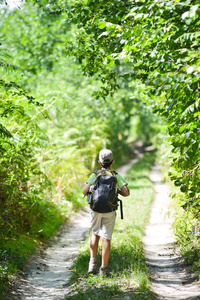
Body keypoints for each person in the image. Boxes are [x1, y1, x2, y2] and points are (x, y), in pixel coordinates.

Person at [83, 149, 130, 276]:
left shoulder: (95, 175)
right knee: (106, 238)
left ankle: (92, 264)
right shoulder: (115, 176)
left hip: (96, 209)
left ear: (99, 162)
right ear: (112, 162)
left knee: (95, 234)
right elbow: (126, 193)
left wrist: (91, 189)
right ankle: (104, 269)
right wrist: (116, 191)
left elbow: (84, 190)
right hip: (110, 209)